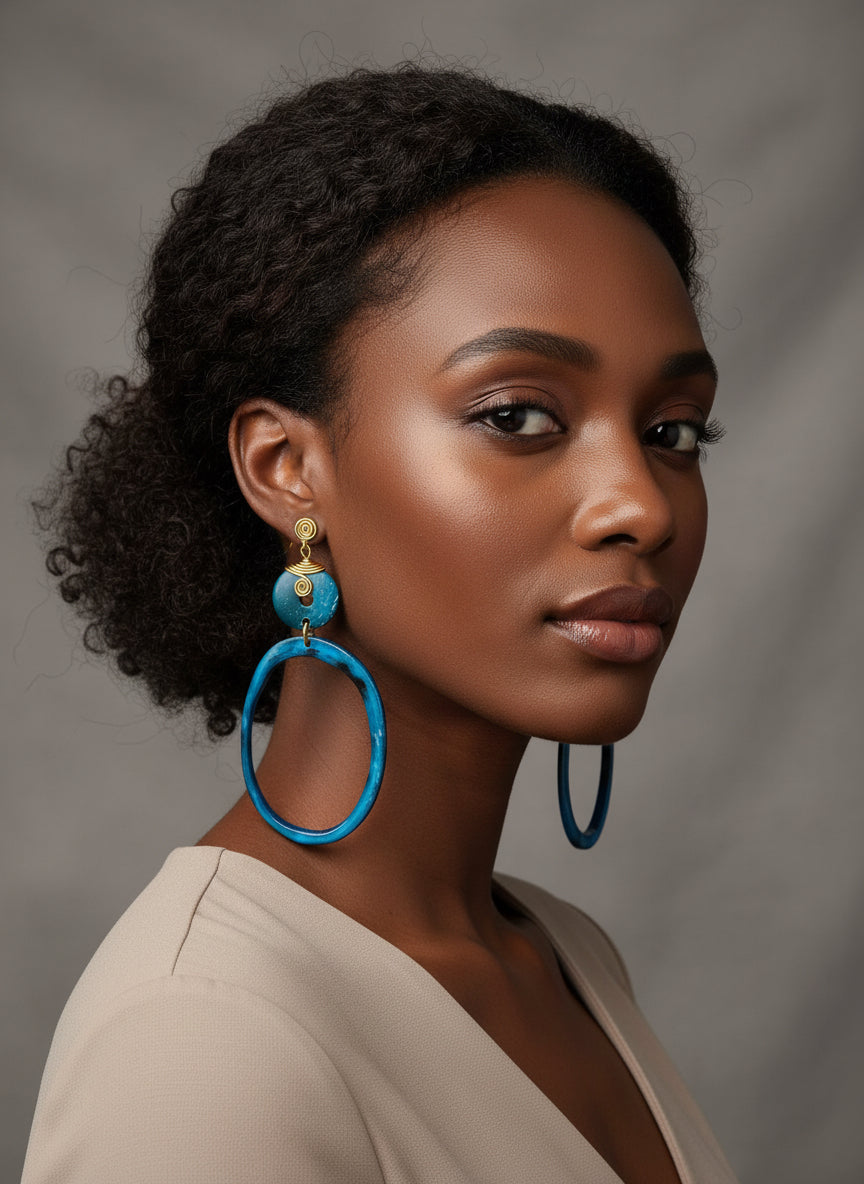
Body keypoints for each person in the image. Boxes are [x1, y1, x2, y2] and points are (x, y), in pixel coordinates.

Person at [22, 62, 737, 1184]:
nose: (641, 504)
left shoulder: (563, 955)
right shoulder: (207, 1034)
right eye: (518, 415)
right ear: (288, 467)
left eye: (674, 431)